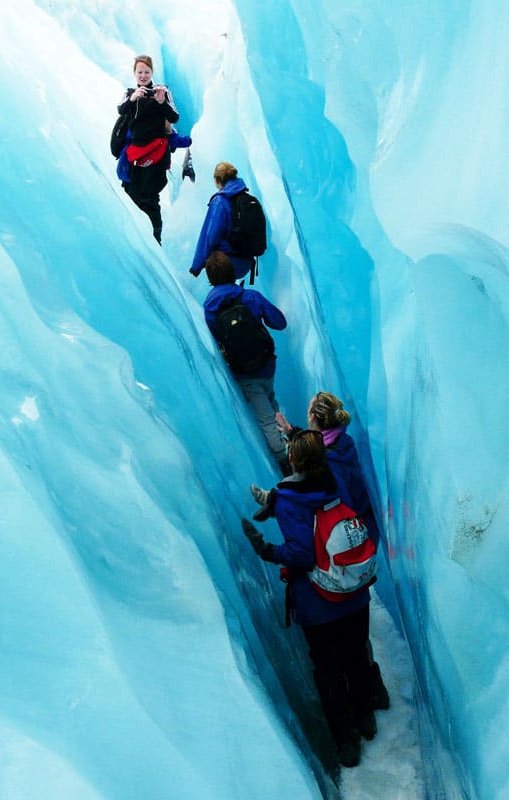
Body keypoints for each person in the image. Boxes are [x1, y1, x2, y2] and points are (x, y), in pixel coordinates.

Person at [241, 430, 378, 768]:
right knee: (357, 657)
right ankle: (366, 718)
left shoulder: (289, 500)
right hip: (355, 594)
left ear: (293, 459)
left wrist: (269, 551)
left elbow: (302, 554)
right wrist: (274, 500)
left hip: (320, 605)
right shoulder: (333, 482)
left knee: (329, 672)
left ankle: (346, 741)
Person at [252, 391, 390, 709]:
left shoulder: (328, 472)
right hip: (358, 543)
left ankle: (366, 695)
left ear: (315, 419)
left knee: (345, 646)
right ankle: (373, 693)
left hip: (337, 555)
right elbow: (320, 449)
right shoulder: (343, 445)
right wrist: (295, 434)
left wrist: (277, 505)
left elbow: (322, 511)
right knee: (357, 638)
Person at [203, 250, 290, 474]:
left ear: (210, 278)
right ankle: (288, 452)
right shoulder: (250, 297)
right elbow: (279, 322)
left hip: (243, 373)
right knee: (271, 404)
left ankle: (284, 460)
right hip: (266, 364)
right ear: (232, 271)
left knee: (265, 419)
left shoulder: (210, 308)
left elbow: (215, 339)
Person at [117, 55, 179, 244]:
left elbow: (174, 117)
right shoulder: (129, 93)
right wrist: (133, 99)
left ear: (152, 72)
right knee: (131, 191)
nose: (143, 76)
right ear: (134, 74)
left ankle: (155, 237)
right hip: (136, 152)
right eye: (140, 72)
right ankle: (139, 237)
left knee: (150, 196)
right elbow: (121, 110)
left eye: (147, 72)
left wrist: (162, 102)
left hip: (157, 152)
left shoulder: (163, 91)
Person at [189, 162, 256, 281]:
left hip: (227, 265)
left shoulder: (220, 201)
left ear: (216, 180)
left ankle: (224, 294)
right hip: (247, 262)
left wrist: (196, 267)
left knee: (213, 256)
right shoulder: (246, 199)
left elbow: (209, 238)